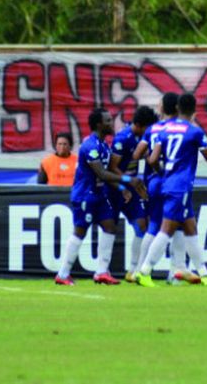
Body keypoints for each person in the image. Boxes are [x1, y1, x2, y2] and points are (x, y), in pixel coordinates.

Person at [136, 93, 207, 287]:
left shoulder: (164, 129)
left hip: (167, 182)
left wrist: (164, 169)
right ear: (195, 111)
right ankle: (144, 271)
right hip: (181, 186)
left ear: (178, 108)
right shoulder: (194, 132)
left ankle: (204, 274)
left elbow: (152, 160)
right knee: (166, 229)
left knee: (190, 227)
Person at [54, 108, 147, 286]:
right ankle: (63, 273)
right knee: (80, 232)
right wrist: (129, 180)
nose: (112, 123)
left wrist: (121, 188)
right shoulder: (90, 146)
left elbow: (105, 175)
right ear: (99, 124)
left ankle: (102, 272)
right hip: (85, 196)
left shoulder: (104, 145)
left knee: (110, 227)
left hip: (99, 195)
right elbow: (102, 174)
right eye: (108, 121)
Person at [132, 92, 200, 285]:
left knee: (157, 225)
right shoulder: (183, 129)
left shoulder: (153, 129)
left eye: (159, 103)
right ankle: (172, 271)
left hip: (156, 182)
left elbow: (137, 154)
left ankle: (144, 269)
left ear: (163, 107)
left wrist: (153, 162)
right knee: (173, 226)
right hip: (175, 182)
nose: (157, 105)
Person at [108, 105, 157, 281]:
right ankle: (102, 270)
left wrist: (136, 186)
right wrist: (125, 185)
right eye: (148, 127)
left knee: (142, 225)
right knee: (109, 228)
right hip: (115, 188)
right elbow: (112, 168)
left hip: (132, 187)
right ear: (139, 124)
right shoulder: (123, 138)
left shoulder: (142, 137)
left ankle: (133, 270)